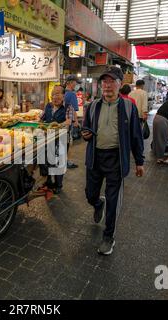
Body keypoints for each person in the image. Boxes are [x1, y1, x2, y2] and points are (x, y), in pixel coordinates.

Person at [82, 66, 144, 255]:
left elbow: (136, 136)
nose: (107, 86)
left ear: (120, 84)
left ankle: (109, 237)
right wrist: (85, 135)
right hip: (95, 157)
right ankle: (97, 204)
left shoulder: (128, 106)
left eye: (111, 82)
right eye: (104, 82)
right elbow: (86, 128)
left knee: (113, 199)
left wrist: (139, 161)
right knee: (90, 194)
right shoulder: (93, 106)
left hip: (116, 158)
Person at [39, 85, 72, 194]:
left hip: (61, 139)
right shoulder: (48, 106)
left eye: (58, 94)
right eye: (53, 94)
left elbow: (68, 122)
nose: (55, 97)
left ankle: (58, 185)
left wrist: (55, 126)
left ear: (63, 95)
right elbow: (41, 119)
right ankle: (48, 181)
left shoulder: (68, 107)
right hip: (48, 139)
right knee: (47, 160)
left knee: (59, 162)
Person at [64, 75, 80, 169]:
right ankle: (67, 162)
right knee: (69, 142)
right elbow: (73, 110)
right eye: (75, 82)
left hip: (61, 121)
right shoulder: (72, 94)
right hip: (69, 122)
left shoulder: (62, 93)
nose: (76, 84)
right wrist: (76, 122)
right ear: (70, 82)